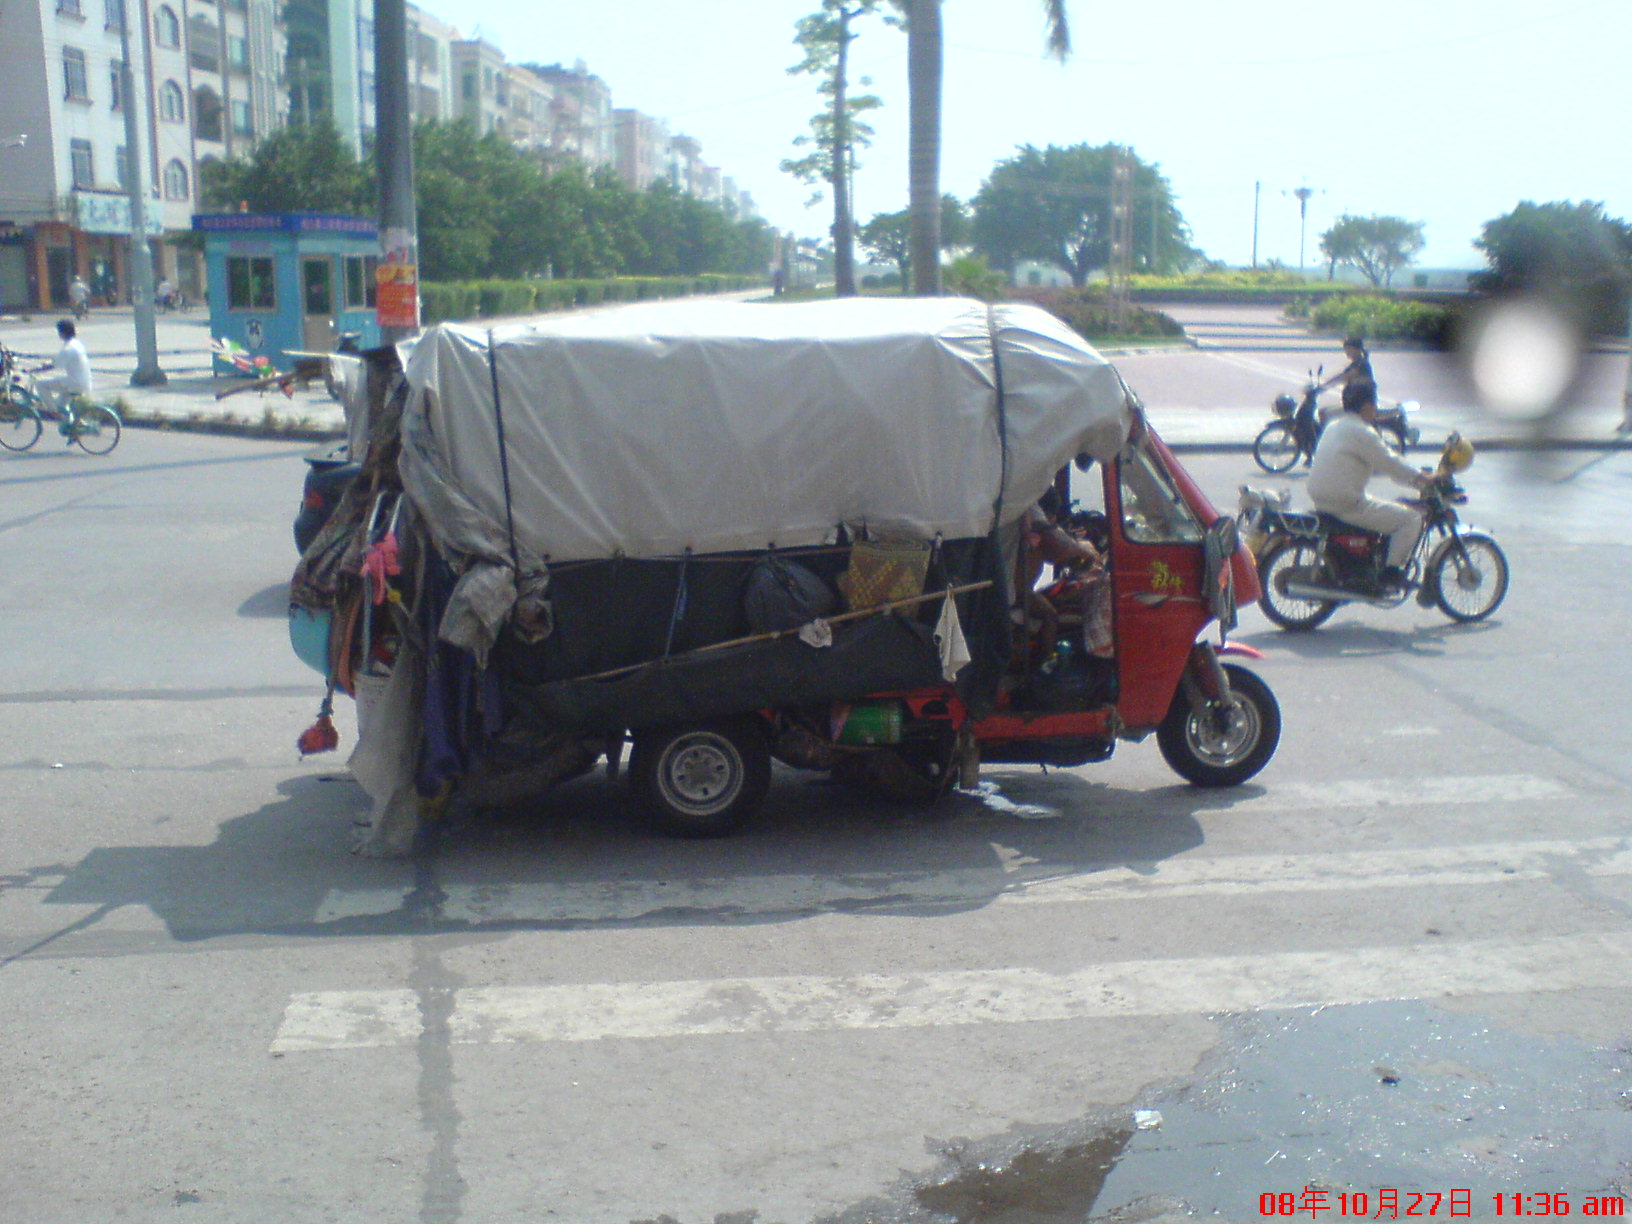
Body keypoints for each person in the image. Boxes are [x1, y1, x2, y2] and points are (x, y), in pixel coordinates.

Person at [1306, 377, 1433, 593]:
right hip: (1346, 504)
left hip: (1322, 499)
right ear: (1366, 406)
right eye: (1374, 404)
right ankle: (1391, 574)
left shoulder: (1334, 425)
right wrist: (1421, 478)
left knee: (1386, 506)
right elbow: (1390, 462)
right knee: (1412, 519)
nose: (1376, 409)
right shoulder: (1362, 432)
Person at [1015, 488, 1103, 664]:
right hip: (1019, 591)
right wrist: (1085, 552)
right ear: (1049, 515)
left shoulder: (1031, 525)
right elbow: (1060, 548)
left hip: (1022, 588)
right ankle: (1045, 662)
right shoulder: (1038, 529)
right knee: (1050, 616)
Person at [36, 319, 94, 424]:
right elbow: (60, 360)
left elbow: (55, 365)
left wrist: (37, 369)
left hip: (74, 383)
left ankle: (53, 411)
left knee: (40, 385)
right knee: (61, 406)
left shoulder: (67, 348)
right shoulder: (77, 344)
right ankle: (73, 427)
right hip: (84, 382)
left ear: (62, 332)